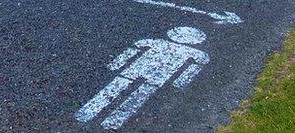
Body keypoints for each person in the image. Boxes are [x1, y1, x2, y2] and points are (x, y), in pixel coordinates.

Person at [75, 27, 210, 130]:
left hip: (139, 72)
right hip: (153, 77)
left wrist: (116, 65)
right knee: (135, 93)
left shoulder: (158, 43)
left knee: (121, 87)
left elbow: (135, 49)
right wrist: (179, 82)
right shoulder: (196, 53)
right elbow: (192, 68)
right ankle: (114, 119)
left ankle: (90, 113)